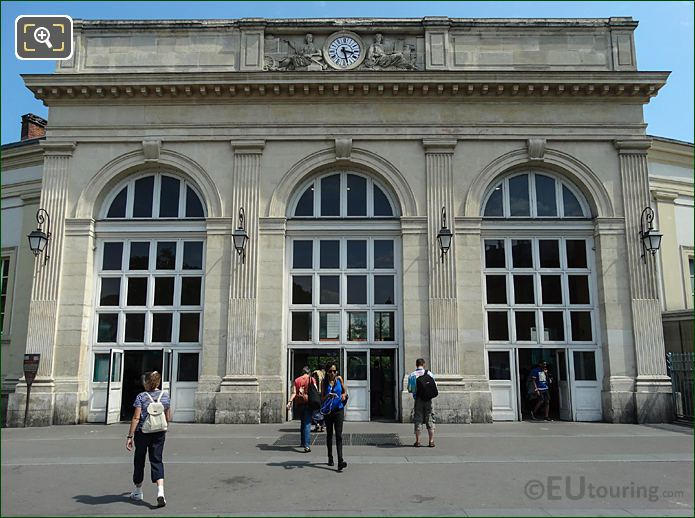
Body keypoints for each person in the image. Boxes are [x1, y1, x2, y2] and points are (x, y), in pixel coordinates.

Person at [125, 371, 171, 508]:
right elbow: (168, 415)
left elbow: (136, 418)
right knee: (157, 459)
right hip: (159, 432)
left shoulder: (141, 397)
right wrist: (164, 426)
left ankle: (138, 491)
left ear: (146, 382)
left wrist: (129, 436)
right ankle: (160, 492)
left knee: (139, 460)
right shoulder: (165, 396)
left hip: (142, 432)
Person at [322, 363, 348, 471]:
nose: (333, 373)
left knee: (339, 435)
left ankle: (340, 461)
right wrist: (328, 396)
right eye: (330, 371)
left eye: (334, 371)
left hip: (339, 410)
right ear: (327, 372)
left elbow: (344, 391)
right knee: (329, 435)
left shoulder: (339, 379)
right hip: (328, 411)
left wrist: (343, 395)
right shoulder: (324, 382)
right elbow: (322, 398)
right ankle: (330, 457)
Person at [407, 358, 436, 448]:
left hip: (418, 399)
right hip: (428, 399)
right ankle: (431, 441)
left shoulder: (412, 375)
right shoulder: (429, 374)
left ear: (416, 364)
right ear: (424, 364)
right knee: (430, 418)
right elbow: (434, 386)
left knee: (418, 419)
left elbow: (410, 389)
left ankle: (418, 441)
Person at [287, 366, 312, 452]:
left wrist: (290, 401)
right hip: (308, 403)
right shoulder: (311, 379)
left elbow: (294, 393)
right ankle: (307, 445)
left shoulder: (297, 380)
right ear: (309, 372)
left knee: (303, 423)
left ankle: (302, 442)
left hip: (299, 404)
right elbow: (315, 391)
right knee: (307, 424)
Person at [311, 369, 325, 433]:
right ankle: (321, 425)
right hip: (320, 394)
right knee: (320, 410)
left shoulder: (315, 373)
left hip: (317, 395)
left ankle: (318, 425)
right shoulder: (322, 376)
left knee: (316, 411)